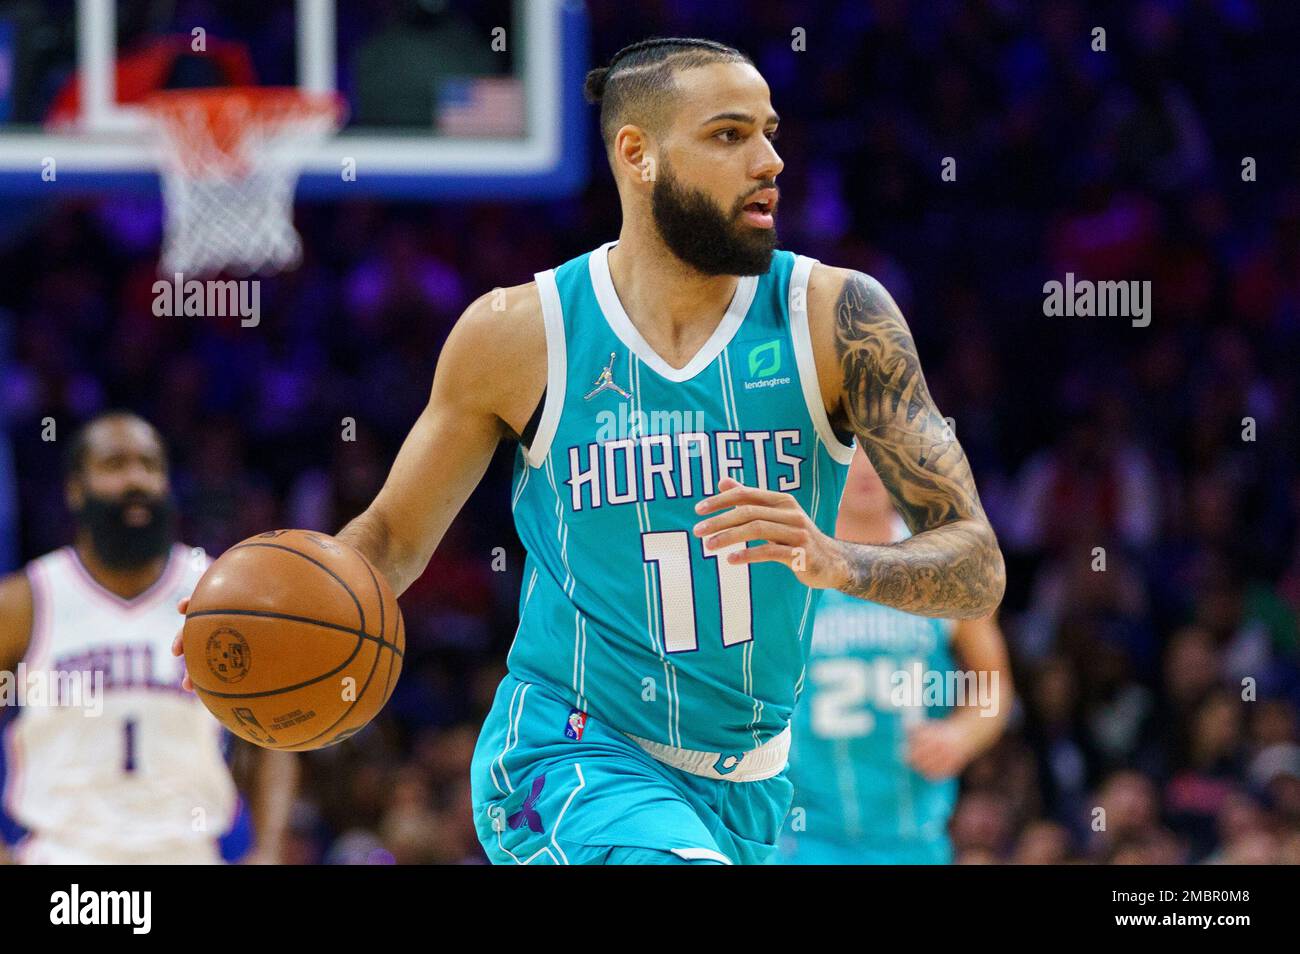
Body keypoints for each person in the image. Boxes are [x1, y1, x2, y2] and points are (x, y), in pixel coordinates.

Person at [175, 36, 1005, 865]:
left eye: (770, 132)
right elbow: (389, 542)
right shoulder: (518, 335)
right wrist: (272, 606)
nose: (769, 161)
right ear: (636, 154)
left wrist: (838, 561)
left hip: (752, 789)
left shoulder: (839, 320)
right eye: (729, 135)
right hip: (569, 757)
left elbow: (977, 568)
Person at [0, 411, 295, 864]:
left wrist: (269, 850)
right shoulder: (27, 600)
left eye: (149, 465)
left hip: (188, 853)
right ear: (75, 490)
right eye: (114, 464)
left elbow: (273, 740)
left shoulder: (219, 595)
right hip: (62, 858)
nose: (135, 479)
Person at [777, 448, 1013, 864]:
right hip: (803, 835)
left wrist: (961, 735)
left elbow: (993, 684)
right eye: (852, 450)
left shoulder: (944, 564)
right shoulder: (786, 562)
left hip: (914, 835)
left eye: (879, 451)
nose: (868, 468)